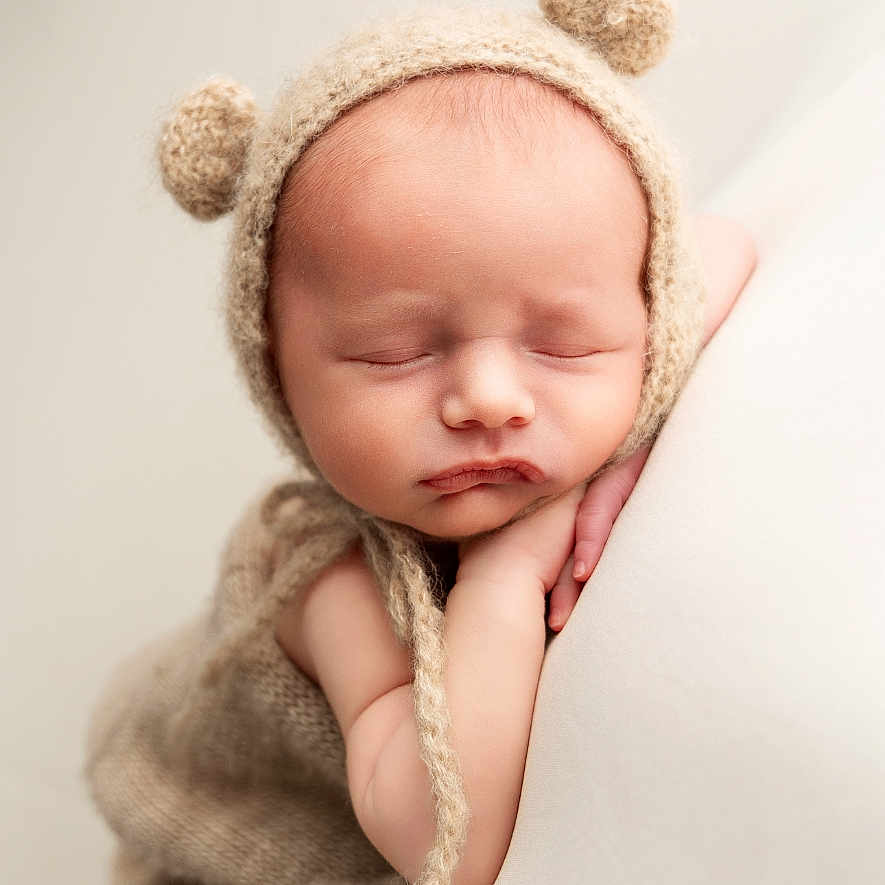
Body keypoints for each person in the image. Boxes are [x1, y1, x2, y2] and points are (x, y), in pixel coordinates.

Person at [83, 2, 757, 884]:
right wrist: (507, 567)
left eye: (561, 341)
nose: (488, 399)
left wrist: (622, 451)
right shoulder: (322, 575)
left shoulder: (635, 321)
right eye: (395, 353)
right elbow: (443, 836)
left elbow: (723, 245)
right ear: (277, 371)